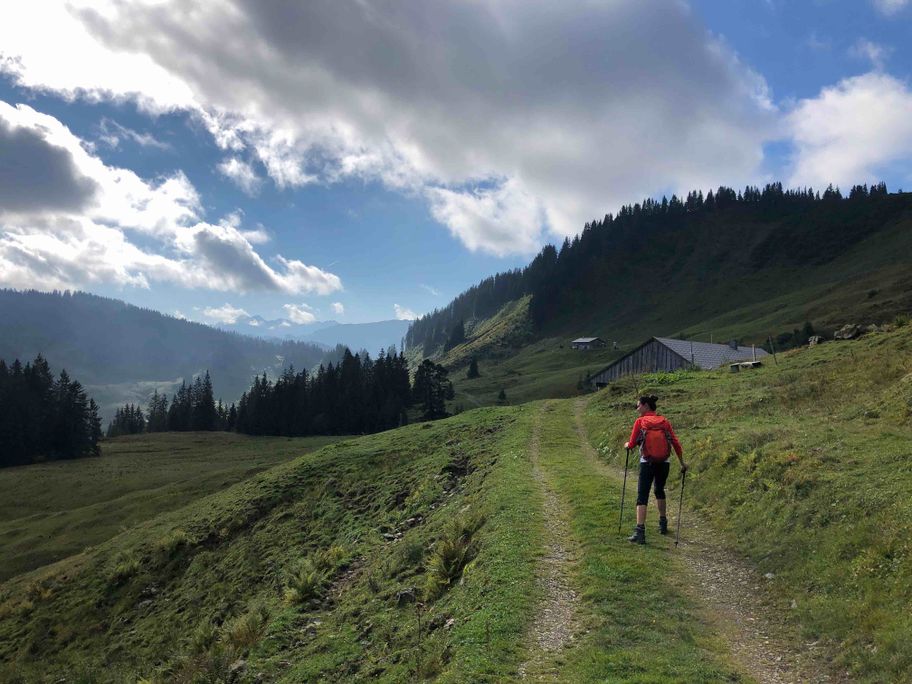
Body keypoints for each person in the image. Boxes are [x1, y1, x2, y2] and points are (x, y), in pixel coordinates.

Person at [624, 395, 687, 544]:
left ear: (646, 406)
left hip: (647, 462)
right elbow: (676, 443)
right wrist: (682, 463)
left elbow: (632, 443)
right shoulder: (665, 422)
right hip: (664, 462)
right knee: (659, 490)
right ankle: (663, 523)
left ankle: (640, 532)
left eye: (638, 405)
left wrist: (627, 445)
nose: (637, 408)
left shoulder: (640, 422)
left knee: (642, 496)